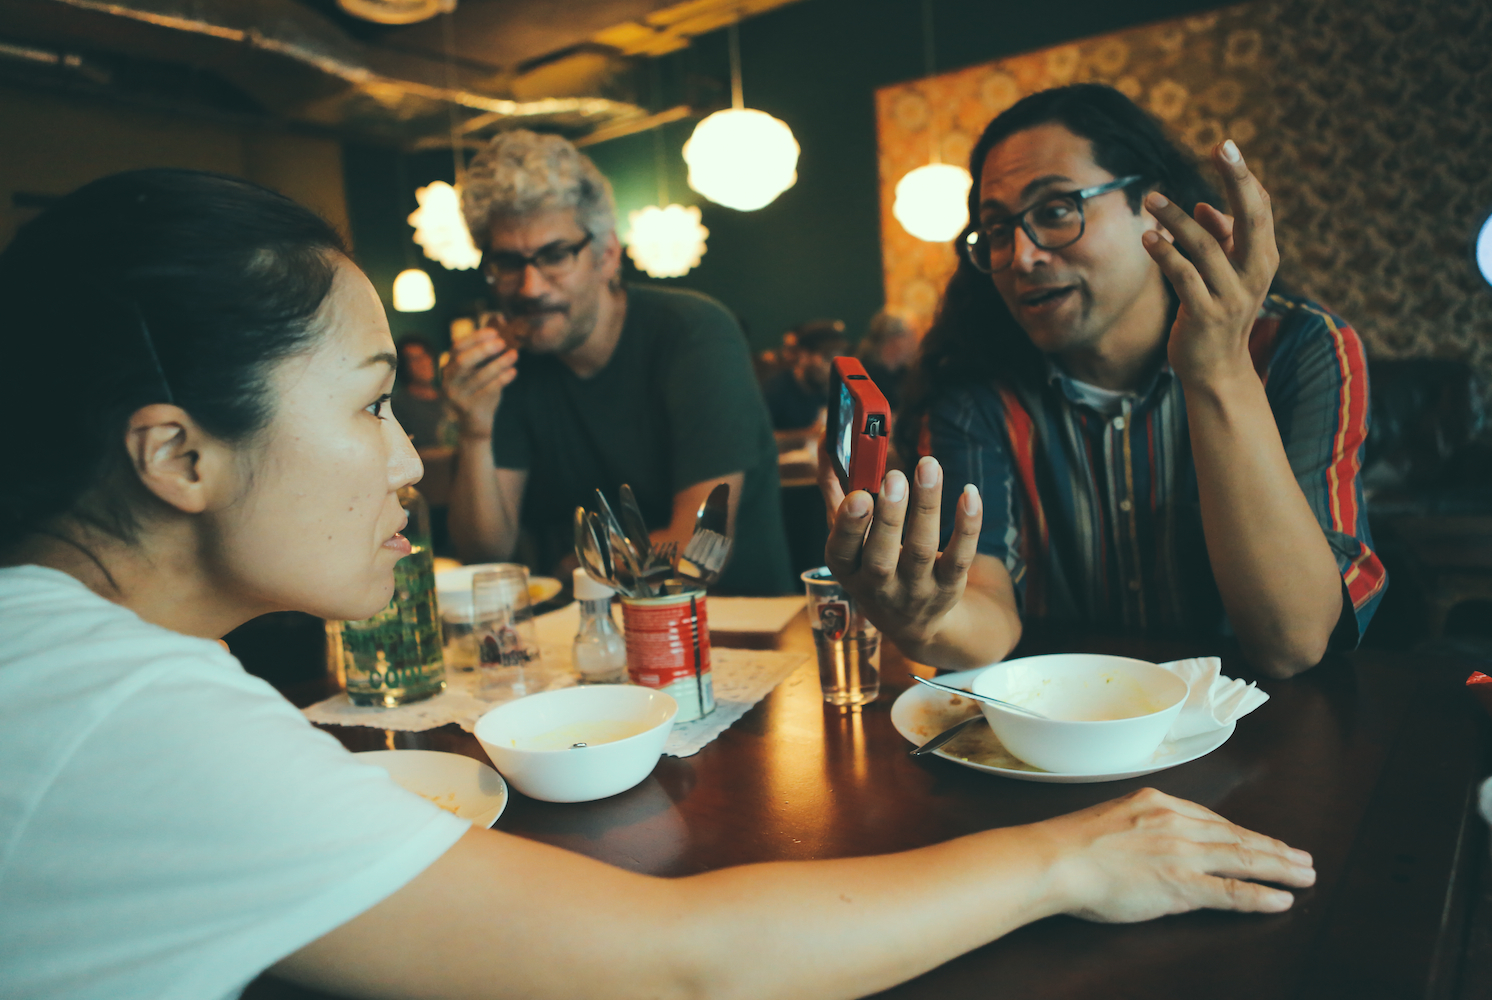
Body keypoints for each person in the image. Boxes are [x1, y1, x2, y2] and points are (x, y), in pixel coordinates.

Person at [0, 168, 1317, 1000]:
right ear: (176, 454)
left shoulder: (63, 661)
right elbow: (687, 967)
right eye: (370, 408)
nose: (406, 461)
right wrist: (1074, 855)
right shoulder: (127, 716)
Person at [820, 84, 1387, 680]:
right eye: (997, 229)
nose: (1024, 256)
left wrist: (1218, 366)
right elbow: (986, 606)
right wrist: (924, 620)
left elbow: (1292, 642)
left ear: (1153, 204)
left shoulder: (1300, 349)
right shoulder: (975, 388)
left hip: (1260, 735)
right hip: (1067, 736)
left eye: (1056, 210)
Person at [443, 131, 790, 596]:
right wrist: (476, 431)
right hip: (593, 642)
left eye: (555, 256)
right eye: (508, 262)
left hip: (739, 632)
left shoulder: (693, 332)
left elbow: (698, 552)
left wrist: (578, 567)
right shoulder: (510, 364)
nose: (529, 287)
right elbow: (485, 555)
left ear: (607, 256)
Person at [762, 319, 848, 435]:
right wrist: (808, 434)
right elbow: (758, 438)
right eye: (827, 358)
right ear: (804, 355)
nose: (832, 369)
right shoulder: (775, 389)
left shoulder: (830, 390)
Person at [390, 334, 454, 450]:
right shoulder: (398, 406)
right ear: (403, 367)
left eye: (425, 356)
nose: (423, 363)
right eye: (414, 359)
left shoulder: (451, 398)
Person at [856, 308, 919, 408]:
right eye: (911, 336)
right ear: (893, 339)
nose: (915, 342)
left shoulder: (906, 375)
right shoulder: (863, 376)